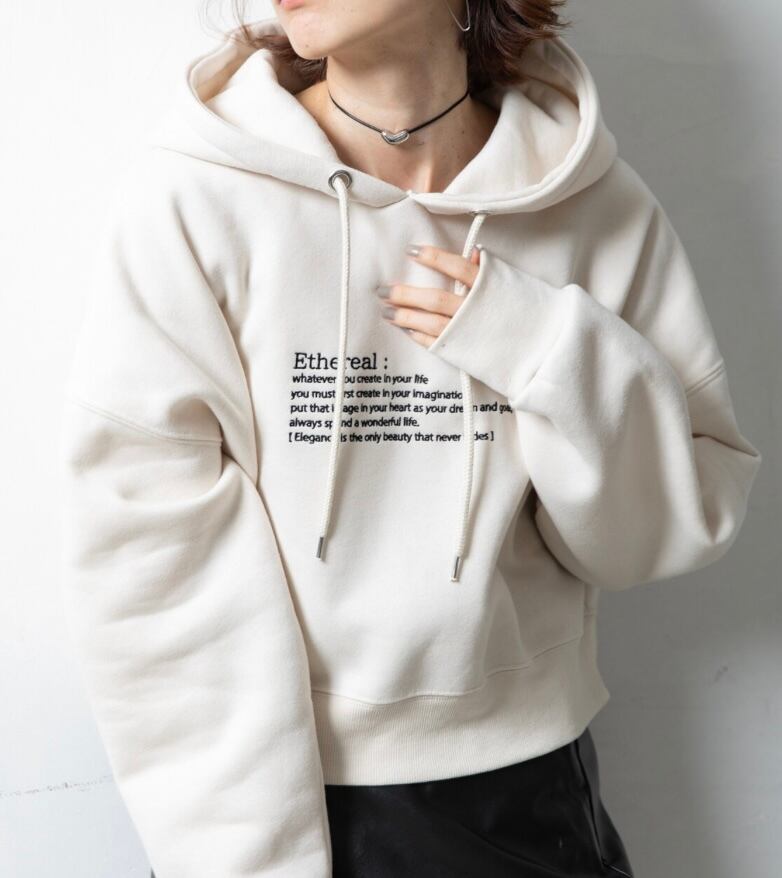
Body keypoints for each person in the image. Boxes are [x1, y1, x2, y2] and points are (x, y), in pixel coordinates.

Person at [59, 1, 762, 876]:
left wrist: (544, 347)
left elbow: (659, 533)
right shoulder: (199, 199)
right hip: (284, 795)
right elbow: (148, 557)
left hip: (532, 791)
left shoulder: (592, 205)